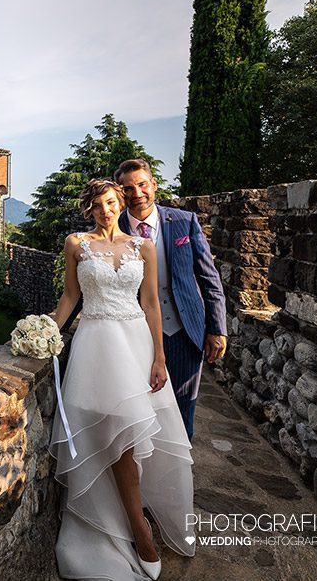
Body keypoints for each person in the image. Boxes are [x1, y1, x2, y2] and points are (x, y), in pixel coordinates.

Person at [50, 179, 194, 581]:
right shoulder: (76, 244)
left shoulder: (142, 247)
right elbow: (69, 298)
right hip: (96, 345)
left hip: (136, 346)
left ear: (121, 203)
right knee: (113, 436)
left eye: (111, 202)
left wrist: (160, 357)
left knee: (132, 435)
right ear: (89, 210)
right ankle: (136, 528)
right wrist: (46, 333)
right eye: (97, 205)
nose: (105, 210)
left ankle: (137, 521)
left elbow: (150, 303)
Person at [115, 159, 227, 440]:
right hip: (135, 334)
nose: (137, 193)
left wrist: (217, 328)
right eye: (128, 188)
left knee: (182, 412)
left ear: (153, 185)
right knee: (139, 412)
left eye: (142, 184)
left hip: (185, 332)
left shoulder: (184, 221)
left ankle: (178, 480)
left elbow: (209, 278)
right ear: (121, 192)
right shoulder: (113, 227)